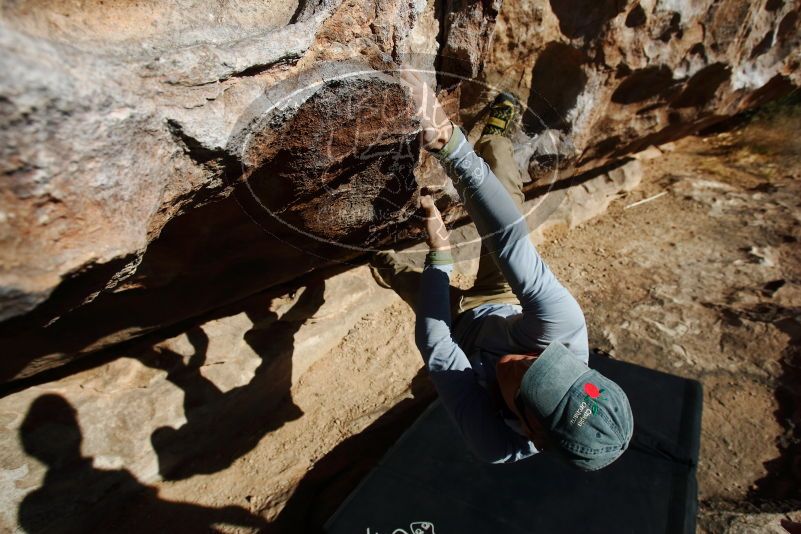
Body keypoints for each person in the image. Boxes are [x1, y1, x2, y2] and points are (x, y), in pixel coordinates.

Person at [373, 69, 633, 469]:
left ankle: (376, 256)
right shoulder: (564, 332)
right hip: (503, 303)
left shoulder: (495, 443)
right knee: (507, 190)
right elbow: (509, 239)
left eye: (532, 384)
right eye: (548, 365)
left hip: (459, 332)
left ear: (531, 430)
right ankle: (494, 136)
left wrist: (440, 254)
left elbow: (438, 347)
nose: (526, 362)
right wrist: (451, 146)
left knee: (402, 276)